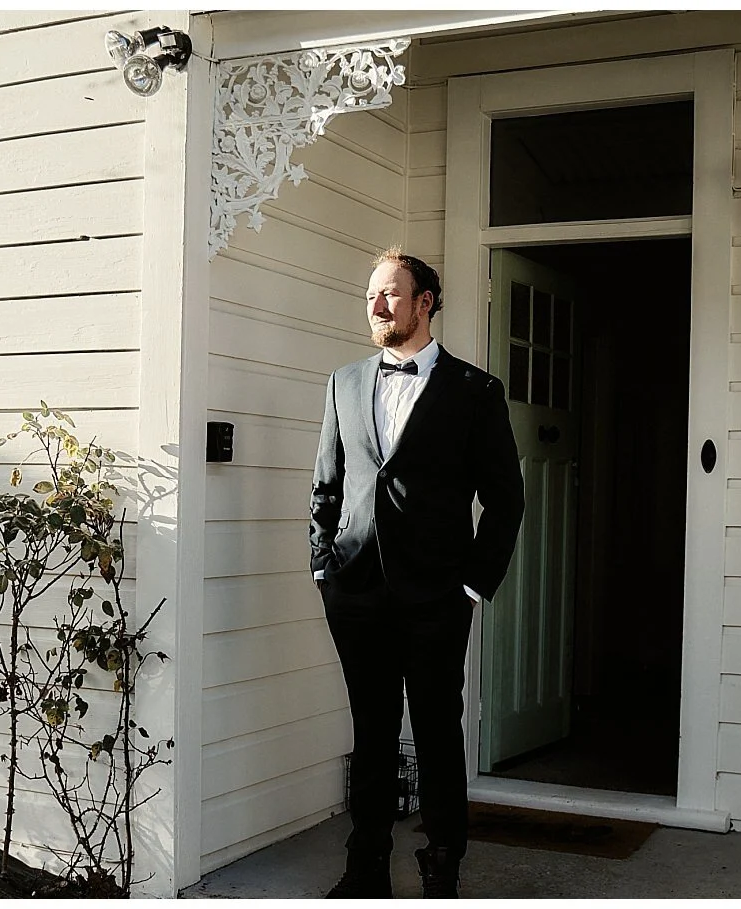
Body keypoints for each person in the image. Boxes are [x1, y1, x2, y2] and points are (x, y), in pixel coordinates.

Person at [309, 248, 525, 898]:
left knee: (435, 732)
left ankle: (441, 865)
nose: (376, 306)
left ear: (426, 301)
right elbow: (327, 485)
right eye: (371, 294)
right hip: (355, 591)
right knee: (371, 732)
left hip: (436, 597)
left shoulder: (475, 391)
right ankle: (366, 865)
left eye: (391, 294)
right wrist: (324, 567)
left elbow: (507, 499)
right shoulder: (343, 382)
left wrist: (469, 586)